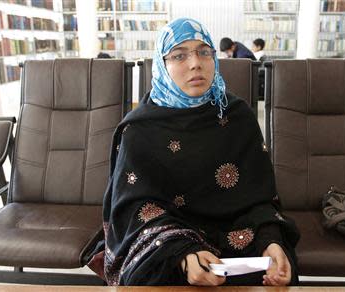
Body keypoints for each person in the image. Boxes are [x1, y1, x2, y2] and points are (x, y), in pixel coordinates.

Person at [88, 17, 299, 286]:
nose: (195, 63)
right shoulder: (140, 129)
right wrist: (182, 252)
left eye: (204, 51)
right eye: (179, 55)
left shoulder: (237, 117)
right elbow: (133, 209)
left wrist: (270, 241)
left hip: (237, 238)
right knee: (150, 271)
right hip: (168, 242)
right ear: (161, 65)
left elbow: (260, 197)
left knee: (277, 267)